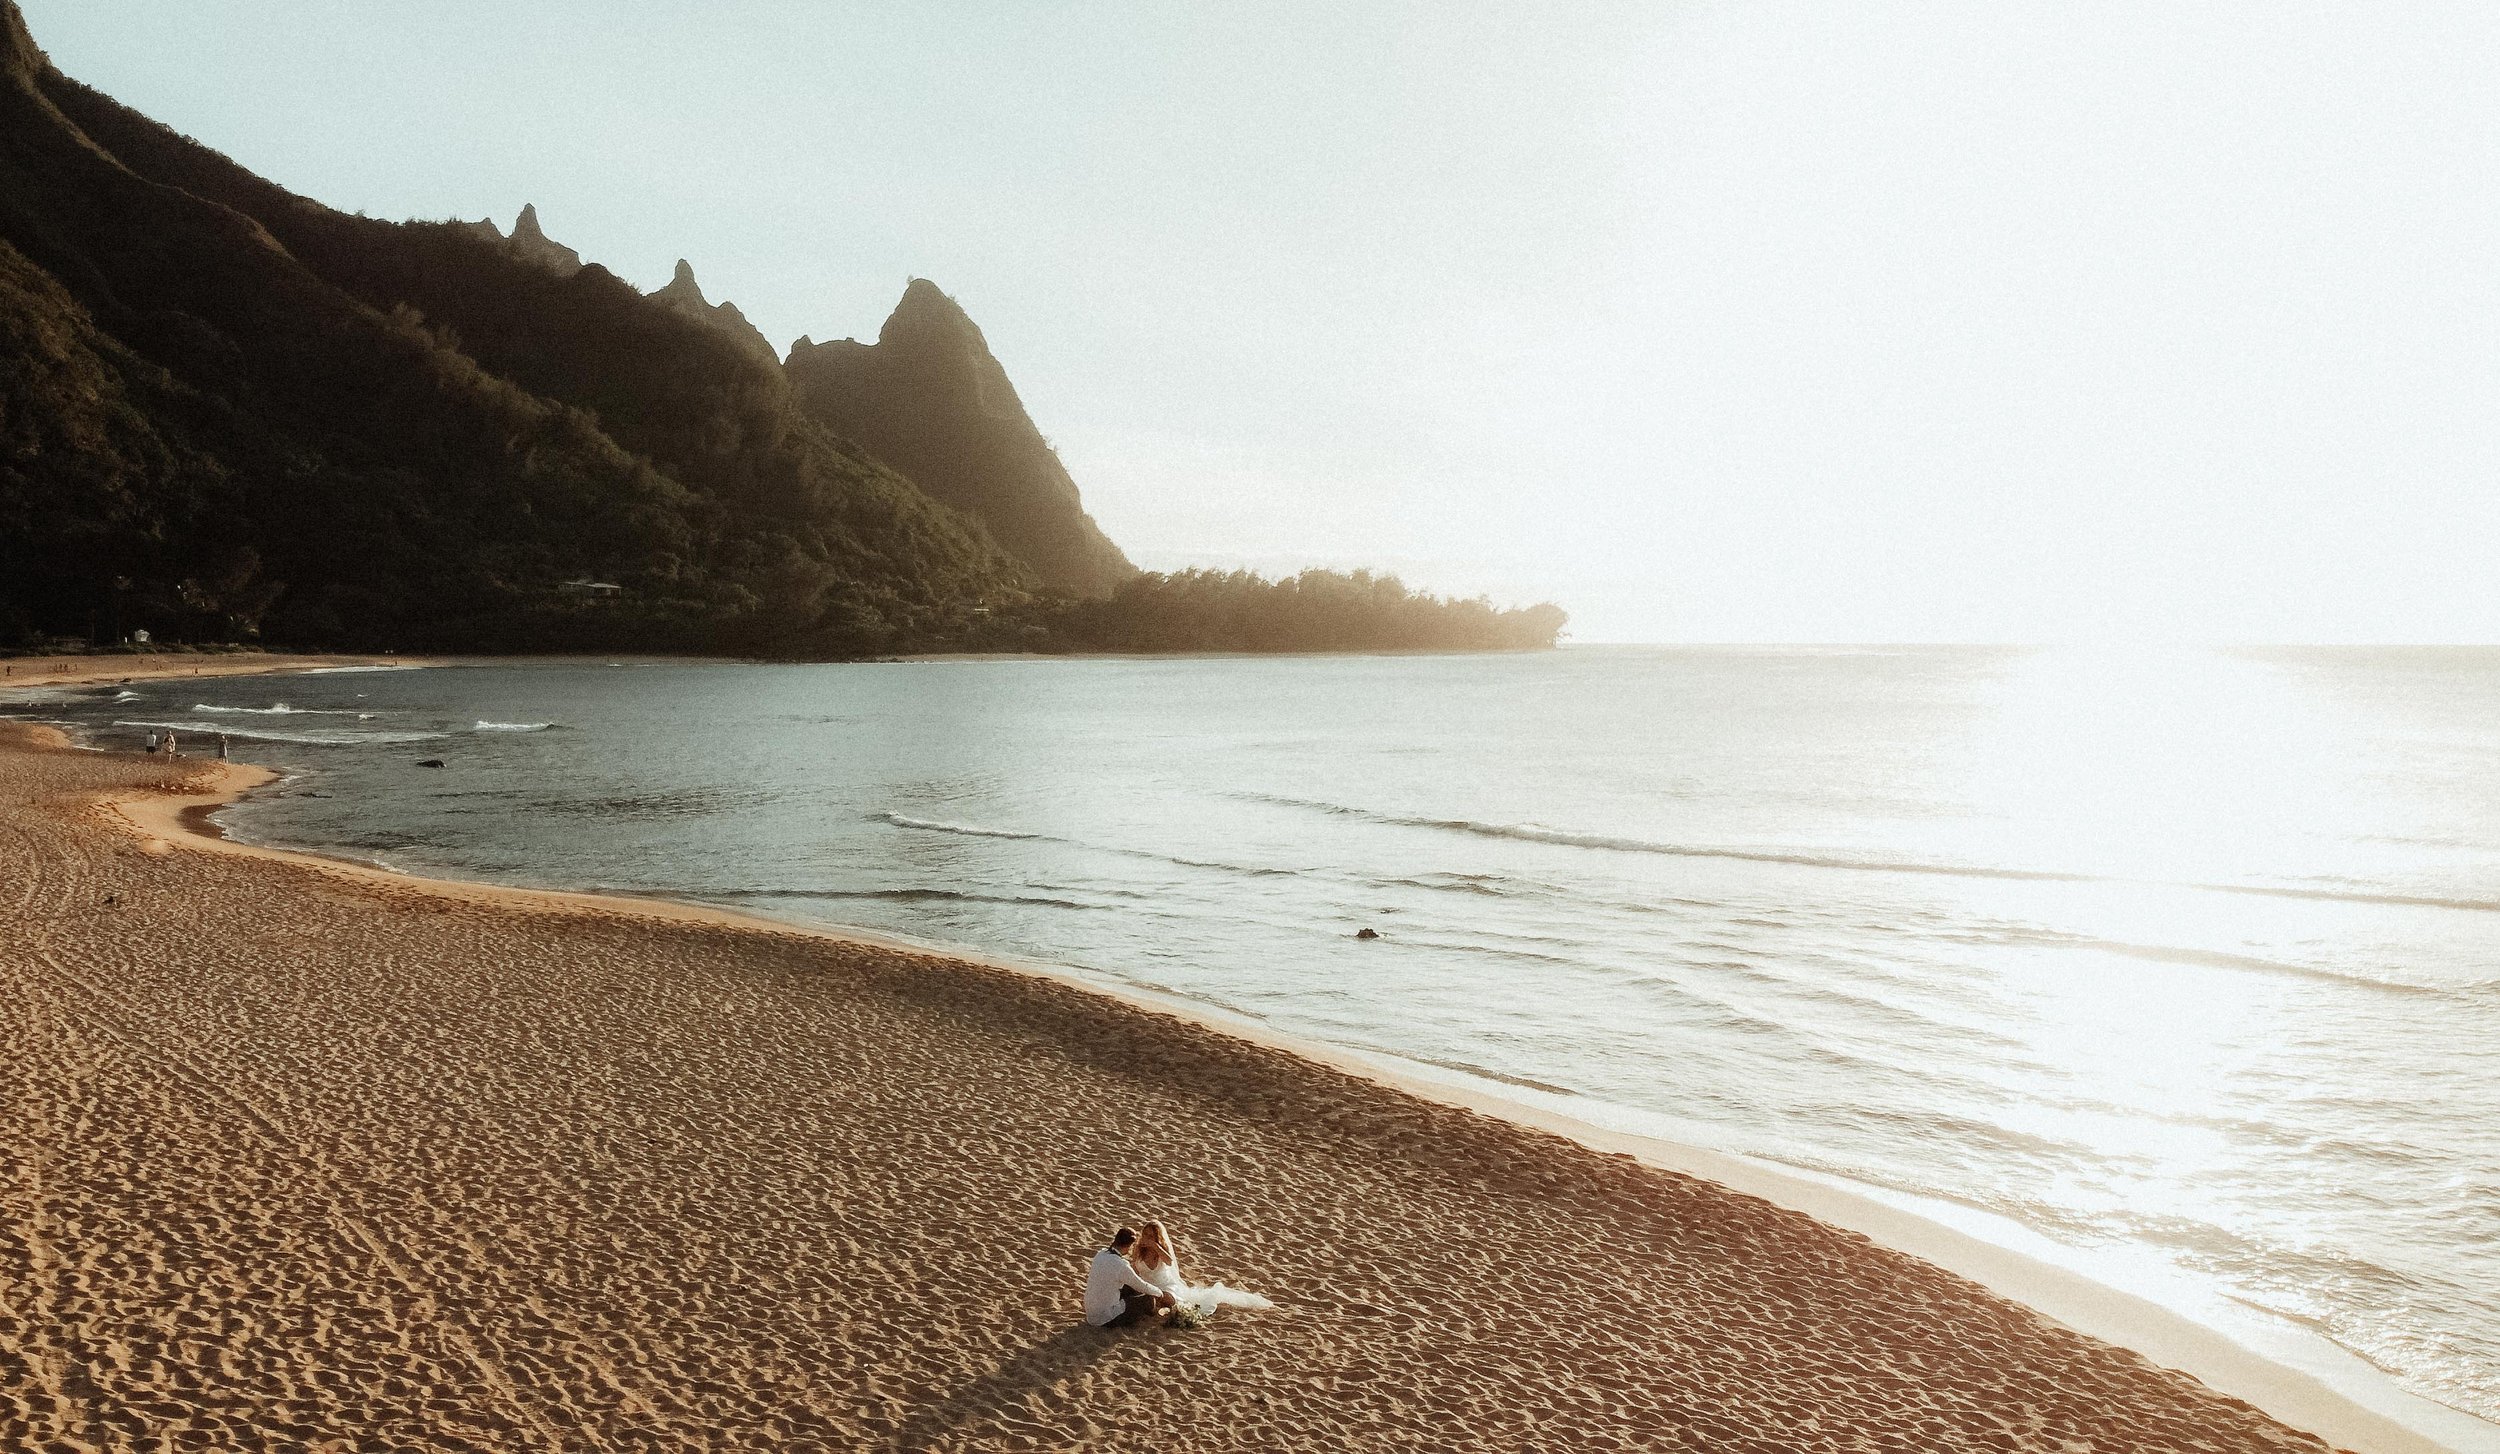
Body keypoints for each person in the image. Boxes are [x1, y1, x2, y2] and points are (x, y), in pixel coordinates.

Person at [1129, 1219, 1275, 1322]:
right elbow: (1134, 1266)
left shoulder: (1160, 1250)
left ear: (1156, 1237)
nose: (1146, 1238)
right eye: (1145, 1234)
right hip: (1147, 1284)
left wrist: (1155, 1246)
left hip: (1164, 1285)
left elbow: (1169, 1261)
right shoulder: (1138, 1249)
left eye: (1150, 1236)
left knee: (1169, 1299)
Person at [1083, 1227, 1172, 1329]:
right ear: (1129, 1246)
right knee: (1148, 1299)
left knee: (1128, 1287)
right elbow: (1141, 1285)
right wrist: (1159, 1293)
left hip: (1091, 1313)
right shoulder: (1121, 1265)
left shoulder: (1101, 1254)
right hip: (1105, 1318)